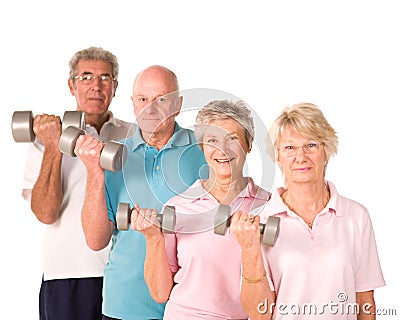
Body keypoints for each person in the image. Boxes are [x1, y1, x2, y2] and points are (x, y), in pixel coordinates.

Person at [75, 65, 207, 320]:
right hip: (125, 307)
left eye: (161, 100)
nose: (151, 109)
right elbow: (95, 240)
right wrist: (94, 172)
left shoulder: (205, 152)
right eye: (143, 99)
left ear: (178, 105)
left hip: (191, 306)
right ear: (133, 104)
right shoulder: (112, 157)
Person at [237, 102, 385, 320]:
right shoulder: (261, 221)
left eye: (311, 145)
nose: (301, 157)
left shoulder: (356, 216)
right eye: (289, 148)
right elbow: (259, 314)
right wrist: (249, 249)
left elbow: (365, 301)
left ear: (326, 151)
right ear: (278, 156)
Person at [131, 99, 272, 319]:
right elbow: (159, 293)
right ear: (202, 147)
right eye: (212, 140)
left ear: (249, 143)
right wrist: (153, 238)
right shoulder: (178, 207)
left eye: (232, 139)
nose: (222, 149)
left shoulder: (269, 206)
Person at [21, 47, 134, 320]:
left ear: (115, 87)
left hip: (125, 274)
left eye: (105, 78)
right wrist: (52, 145)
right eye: (86, 77)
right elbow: (45, 213)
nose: (96, 86)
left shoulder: (134, 136)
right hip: (68, 274)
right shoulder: (45, 137)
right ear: (71, 85)